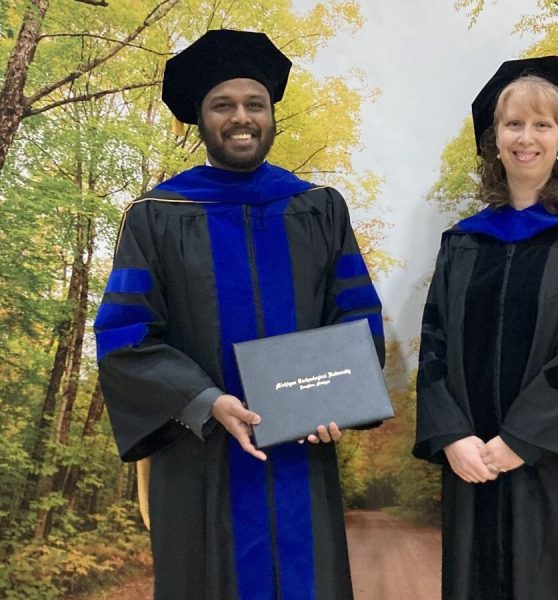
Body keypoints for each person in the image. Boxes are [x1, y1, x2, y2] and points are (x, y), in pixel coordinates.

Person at [94, 29, 384, 600]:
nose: (241, 117)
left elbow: (357, 319)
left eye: (255, 104)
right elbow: (124, 335)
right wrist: (207, 402)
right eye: (222, 105)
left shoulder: (319, 209)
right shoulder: (156, 216)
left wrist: (333, 402)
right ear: (200, 120)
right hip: (201, 460)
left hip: (299, 453)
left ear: (273, 115)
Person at [413, 56, 558, 600]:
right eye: (513, 124)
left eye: (543, 125)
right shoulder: (463, 243)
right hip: (475, 469)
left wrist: (521, 439)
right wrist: (452, 436)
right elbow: (435, 344)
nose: (526, 138)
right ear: (495, 139)